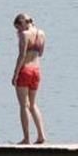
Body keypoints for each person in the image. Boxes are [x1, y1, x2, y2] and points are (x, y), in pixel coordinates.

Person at [10, 13, 47, 144]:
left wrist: (15, 74)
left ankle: (26, 138)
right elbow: (41, 53)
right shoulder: (41, 33)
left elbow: (21, 55)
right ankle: (41, 135)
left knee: (23, 106)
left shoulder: (24, 35)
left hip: (25, 70)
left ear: (22, 23)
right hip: (36, 70)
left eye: (18, 28)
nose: (18, 31)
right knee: (32, 104)